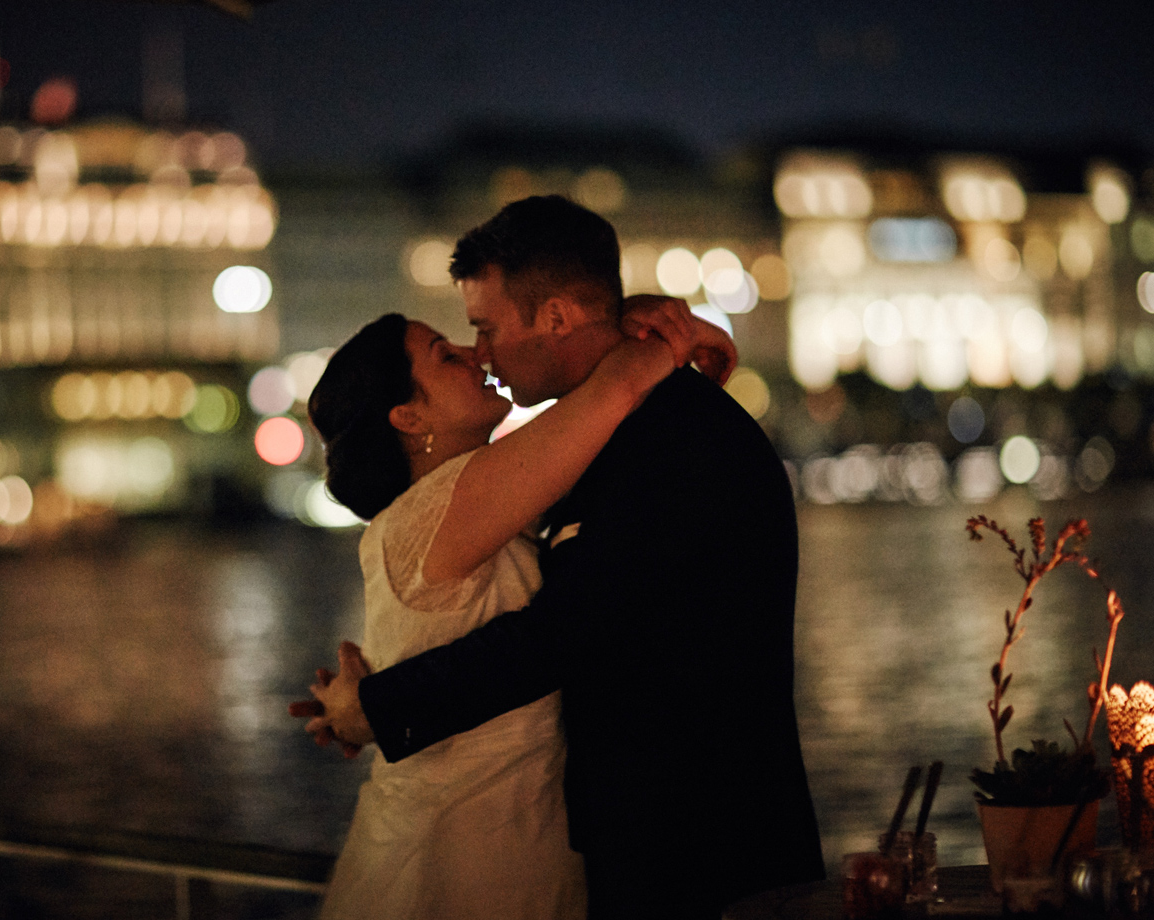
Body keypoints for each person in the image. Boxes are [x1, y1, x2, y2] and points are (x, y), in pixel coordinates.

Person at [299, 195, 825, 920]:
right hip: (595, 841)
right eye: (457, 346)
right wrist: (649, 333)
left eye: (481, 329)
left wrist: (377, 709)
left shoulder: (665, 436)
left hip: (696, 847)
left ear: (552, 318)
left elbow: (565, 633)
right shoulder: (598, 436)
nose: (478, 352)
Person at [303, 287, 703, 917]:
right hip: (464, 853)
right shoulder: (439, 509)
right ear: (408, 417)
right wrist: (674, 335)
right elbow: (615, 389)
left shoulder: (465, 512)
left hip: (507, 828)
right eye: (442, 354)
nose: (470, 352)